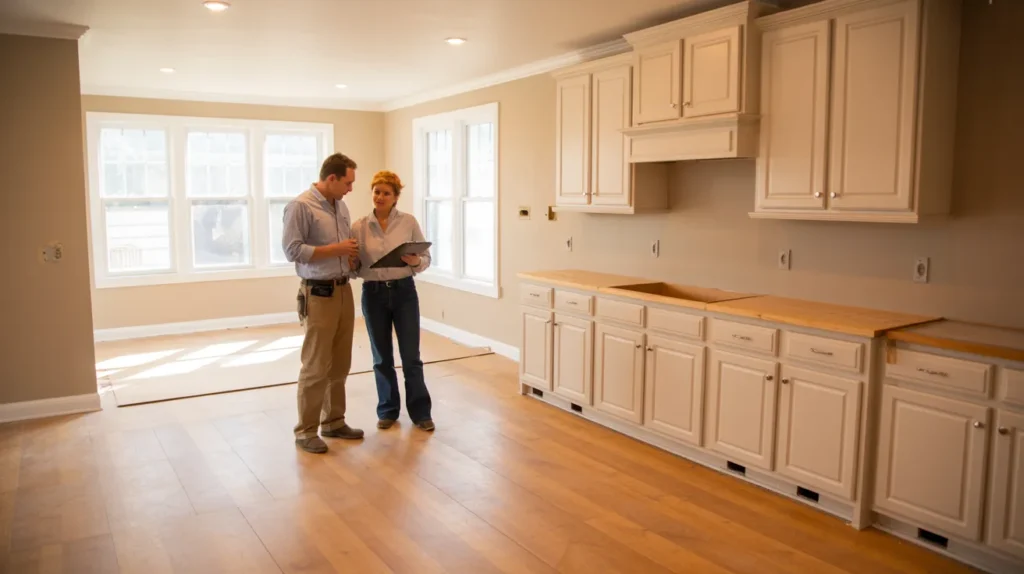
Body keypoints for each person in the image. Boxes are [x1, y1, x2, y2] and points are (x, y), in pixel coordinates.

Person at [281, 152, 365, 454]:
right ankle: (305, 431)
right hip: (319, 294)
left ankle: (333, 422)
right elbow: (292, 250)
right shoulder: (300, 206)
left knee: (340, 363)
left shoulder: (340, 205)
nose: (351, 189)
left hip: (344, 290)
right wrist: (336, 249)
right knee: (316, 364)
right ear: (331, 178)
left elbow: (342, 249)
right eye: (348, 182)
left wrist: (350, 256)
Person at [351, 170, 434, 432]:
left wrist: (416, 261)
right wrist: (351, 262)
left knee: (411, 356)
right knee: (381, 357)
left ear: (396, 197)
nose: (380, 197)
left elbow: (426, 259)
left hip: (404, 292)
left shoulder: (408, 222)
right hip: (373, 294)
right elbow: (354, 268)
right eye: (377, 191)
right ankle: (387, 410)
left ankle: (421, 413)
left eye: (386, 193)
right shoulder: (359, 226)